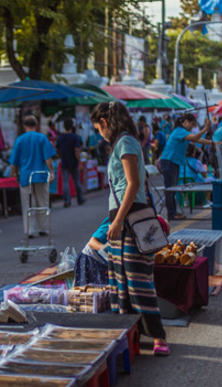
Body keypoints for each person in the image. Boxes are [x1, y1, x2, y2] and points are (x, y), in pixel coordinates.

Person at [90, 101, 170, 356]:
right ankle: (128, 333)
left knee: (137, 279)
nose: (100, 134)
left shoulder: (125, 142)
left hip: (130, 217)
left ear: (105, 123)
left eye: (98, 128)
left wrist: (118, 220)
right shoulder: (125, 142)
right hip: (123, 217)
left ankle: (158, 337)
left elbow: (133, 184)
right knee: (120, 279)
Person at [159, 114, 215, 220]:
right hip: (169, 161)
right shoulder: (180, 130)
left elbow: (197, 140)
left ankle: (173, 212)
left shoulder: (182, 132)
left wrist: (212, 142)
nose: (192, 127)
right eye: (192, 124)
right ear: (185, 121)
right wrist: (205, 129)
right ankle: (171, 214)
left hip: (173, 162)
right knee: (170, 189)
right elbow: (195, 137)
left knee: (173, 189)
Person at [9, 115, 56, 237]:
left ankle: (29, 230)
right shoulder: (42, 138)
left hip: (25, 176)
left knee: (27, 204)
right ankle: (44, 228)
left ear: (24, 125)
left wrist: (14, 173)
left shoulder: (19, 140)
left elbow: (13, 161)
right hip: (40, 175)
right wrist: (52, 172)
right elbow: (48, 158)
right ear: (36, 125)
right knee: (43, 202)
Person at [56, 118, 86, 208]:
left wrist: (61, 155)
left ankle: (67, 201)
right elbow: (77, 150)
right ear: (72, 126)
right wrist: (80, 162)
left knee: (65, 182)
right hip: (73, 162)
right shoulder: (75, 137)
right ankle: (80, 199)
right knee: (76, 181)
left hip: (64, 161)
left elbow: (57, 149)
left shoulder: (60, 138)